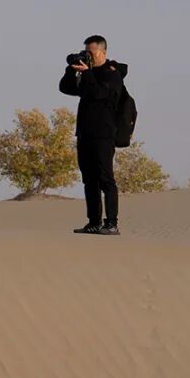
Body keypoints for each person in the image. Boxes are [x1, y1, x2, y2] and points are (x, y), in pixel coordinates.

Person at [59, 34, 127, 235]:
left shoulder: (112, 74)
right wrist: (71, 70)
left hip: (103, 134)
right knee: (89, 180)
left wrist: (87, 73)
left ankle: (112, 223)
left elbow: (98, 93)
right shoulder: (86, 72)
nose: (88, 55)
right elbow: (66, 88)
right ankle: (94, 222)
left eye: (91, 52)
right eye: (86, 52)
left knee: (106, 179)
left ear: (103, 52)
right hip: (85, 133)